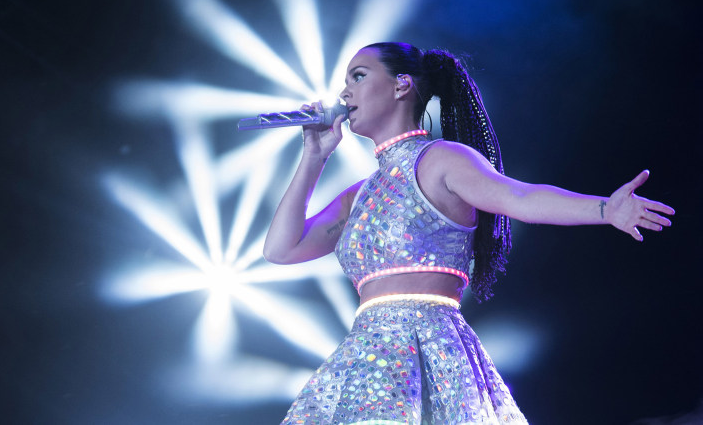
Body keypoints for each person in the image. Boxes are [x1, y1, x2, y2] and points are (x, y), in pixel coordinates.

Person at [263, 42, 674, 424]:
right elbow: (281, 249)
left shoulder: (442, 159)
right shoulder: (359, 194)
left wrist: (605, 209)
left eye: (358, 76)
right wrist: (313, 157)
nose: (344, 92)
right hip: (362, 358)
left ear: (401, 85)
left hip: (429, 349)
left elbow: (519, 197)